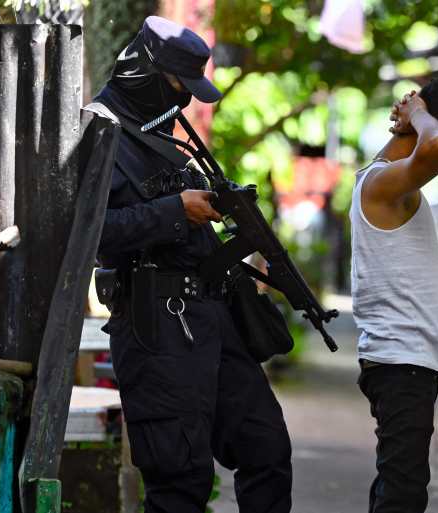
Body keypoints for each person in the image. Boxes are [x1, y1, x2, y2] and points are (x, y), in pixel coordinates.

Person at [89, 16, 292, 513]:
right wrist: (174, 211)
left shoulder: (162, 132)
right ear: (145, 72)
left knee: (267, 451)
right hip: (157, 327)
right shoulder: (97, 129)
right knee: (179, 483)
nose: (182, 102)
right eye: (178, 87)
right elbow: (90, 234)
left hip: (212, 318)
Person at [350, 79, 438, 513]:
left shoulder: (390, 182)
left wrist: (416, 116)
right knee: (403, 496)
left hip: (405, 363)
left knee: (398, 490)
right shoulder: (383, 184)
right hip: (399, 363)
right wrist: (418, 112)